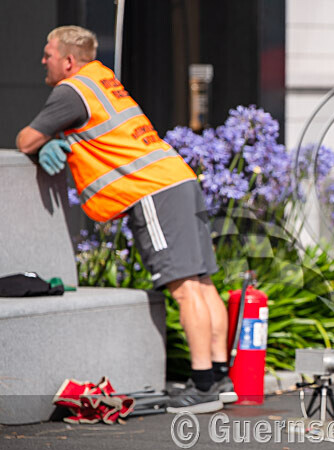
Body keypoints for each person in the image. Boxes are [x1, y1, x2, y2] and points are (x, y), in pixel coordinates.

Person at [16, 26, 234, 414]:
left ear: (68, 60)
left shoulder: (72, 89)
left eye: (48, 54)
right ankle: (219, 377)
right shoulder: (103, 79)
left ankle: (202, 386)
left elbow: (26, 140)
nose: (43, 61)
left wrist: (51, 141)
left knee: (184, 289)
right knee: (203, 284)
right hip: (179, 179)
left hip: (152, 190)